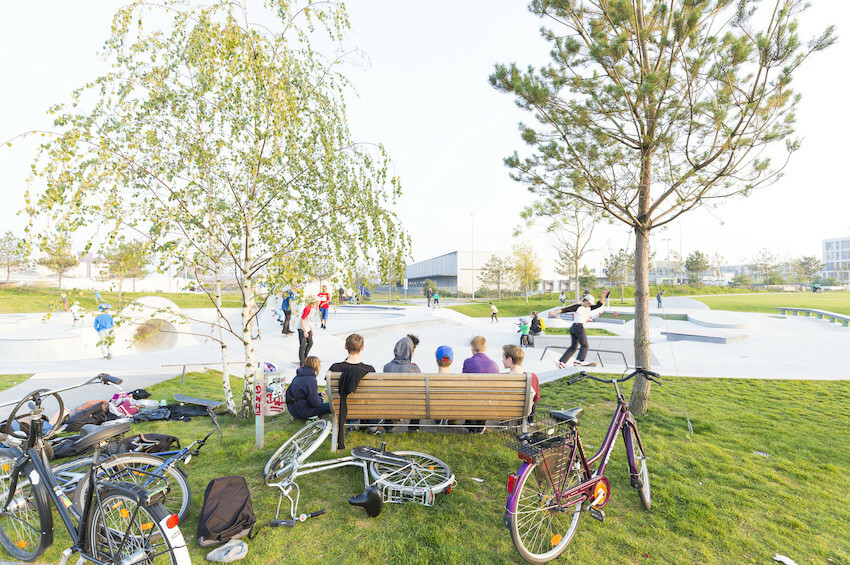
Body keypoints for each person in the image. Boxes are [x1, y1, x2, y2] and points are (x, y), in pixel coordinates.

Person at [330, 333, 376, 440]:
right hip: (363, 408)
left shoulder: (335, 367)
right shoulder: (369, 369)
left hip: (341, 407)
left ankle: (352, 424)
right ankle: (369, 426)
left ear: (346, 347)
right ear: (362, 348)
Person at [549, 290, 610, 368]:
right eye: (588, 303)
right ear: (585, 300)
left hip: (574, 328)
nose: (589, 305)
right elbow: (565, 309)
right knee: (585, 345)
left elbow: (599, 304)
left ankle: (562, 363)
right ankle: (579, 361)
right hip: (578, 327)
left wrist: (603, 296)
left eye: (590, 304)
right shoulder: (577, 306)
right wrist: (554, 313)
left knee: (573, 347)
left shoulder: (589, 308)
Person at [383, 334, 421, 432]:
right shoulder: (415, 369)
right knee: (419, 398)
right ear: (409, 351)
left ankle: (388, 426)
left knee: (387, 396)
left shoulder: (387, 367)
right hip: (409, 404)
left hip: (390, 404)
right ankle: (413, 428)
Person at [462, 336, 499, 433]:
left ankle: (470, 425)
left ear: (472, 348)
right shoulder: (494, 364)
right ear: (485, 348)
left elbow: (463, 382)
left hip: (471, 400)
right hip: (488, 402)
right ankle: (481, 424)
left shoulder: (468, 362)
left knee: (470, 393)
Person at [502, 345, 541, 423]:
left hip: (503, 412)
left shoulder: (501, 377)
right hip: (524, 412)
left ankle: (505, 422)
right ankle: (529, 422)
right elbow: (537, 398)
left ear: (509, 359)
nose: (502, 361)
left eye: (503, 358)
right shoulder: (532, 377)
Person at [285, 356, 331, 420]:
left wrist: (319, 394)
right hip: (302, 411)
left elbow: (303, 394)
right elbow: (315, 403)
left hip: (294, 409)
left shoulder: (299, 375)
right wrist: (321, 399)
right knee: (331, 405)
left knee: (325, 405)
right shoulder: (310, 379)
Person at [298, 299, 315, 365]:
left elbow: (309, 320)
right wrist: (304, 331)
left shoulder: (313, 309)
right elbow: (302, 320)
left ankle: (305, 357)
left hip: (308, 327)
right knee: (303, 345)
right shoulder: (307, 309)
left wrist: (311, 329)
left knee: (310, 342)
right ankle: (302, 362)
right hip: (302, 328)